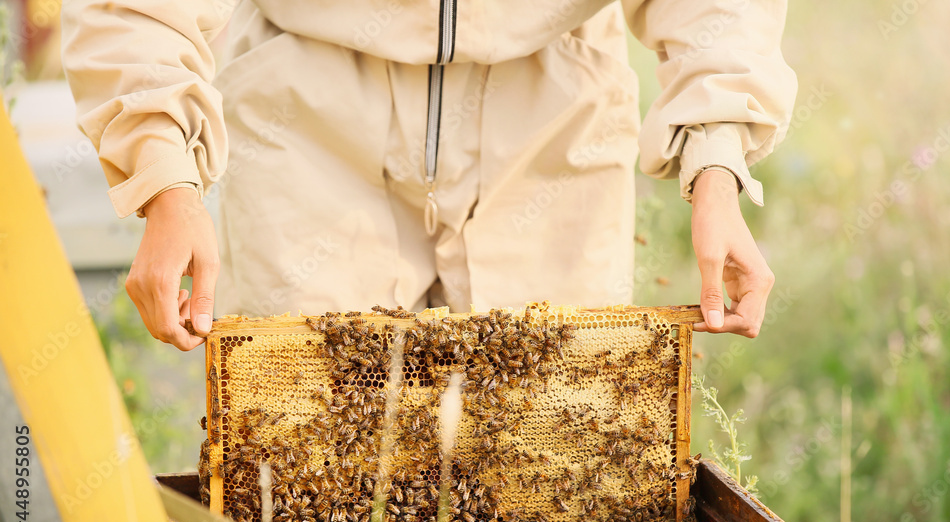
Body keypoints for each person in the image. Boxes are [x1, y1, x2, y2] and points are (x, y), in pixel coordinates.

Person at [62, 0, 797, 351]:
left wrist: (717, 158)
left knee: (552, 470)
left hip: (552, 106)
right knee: (308, 474)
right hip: (311, 115)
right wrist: (165, 175)